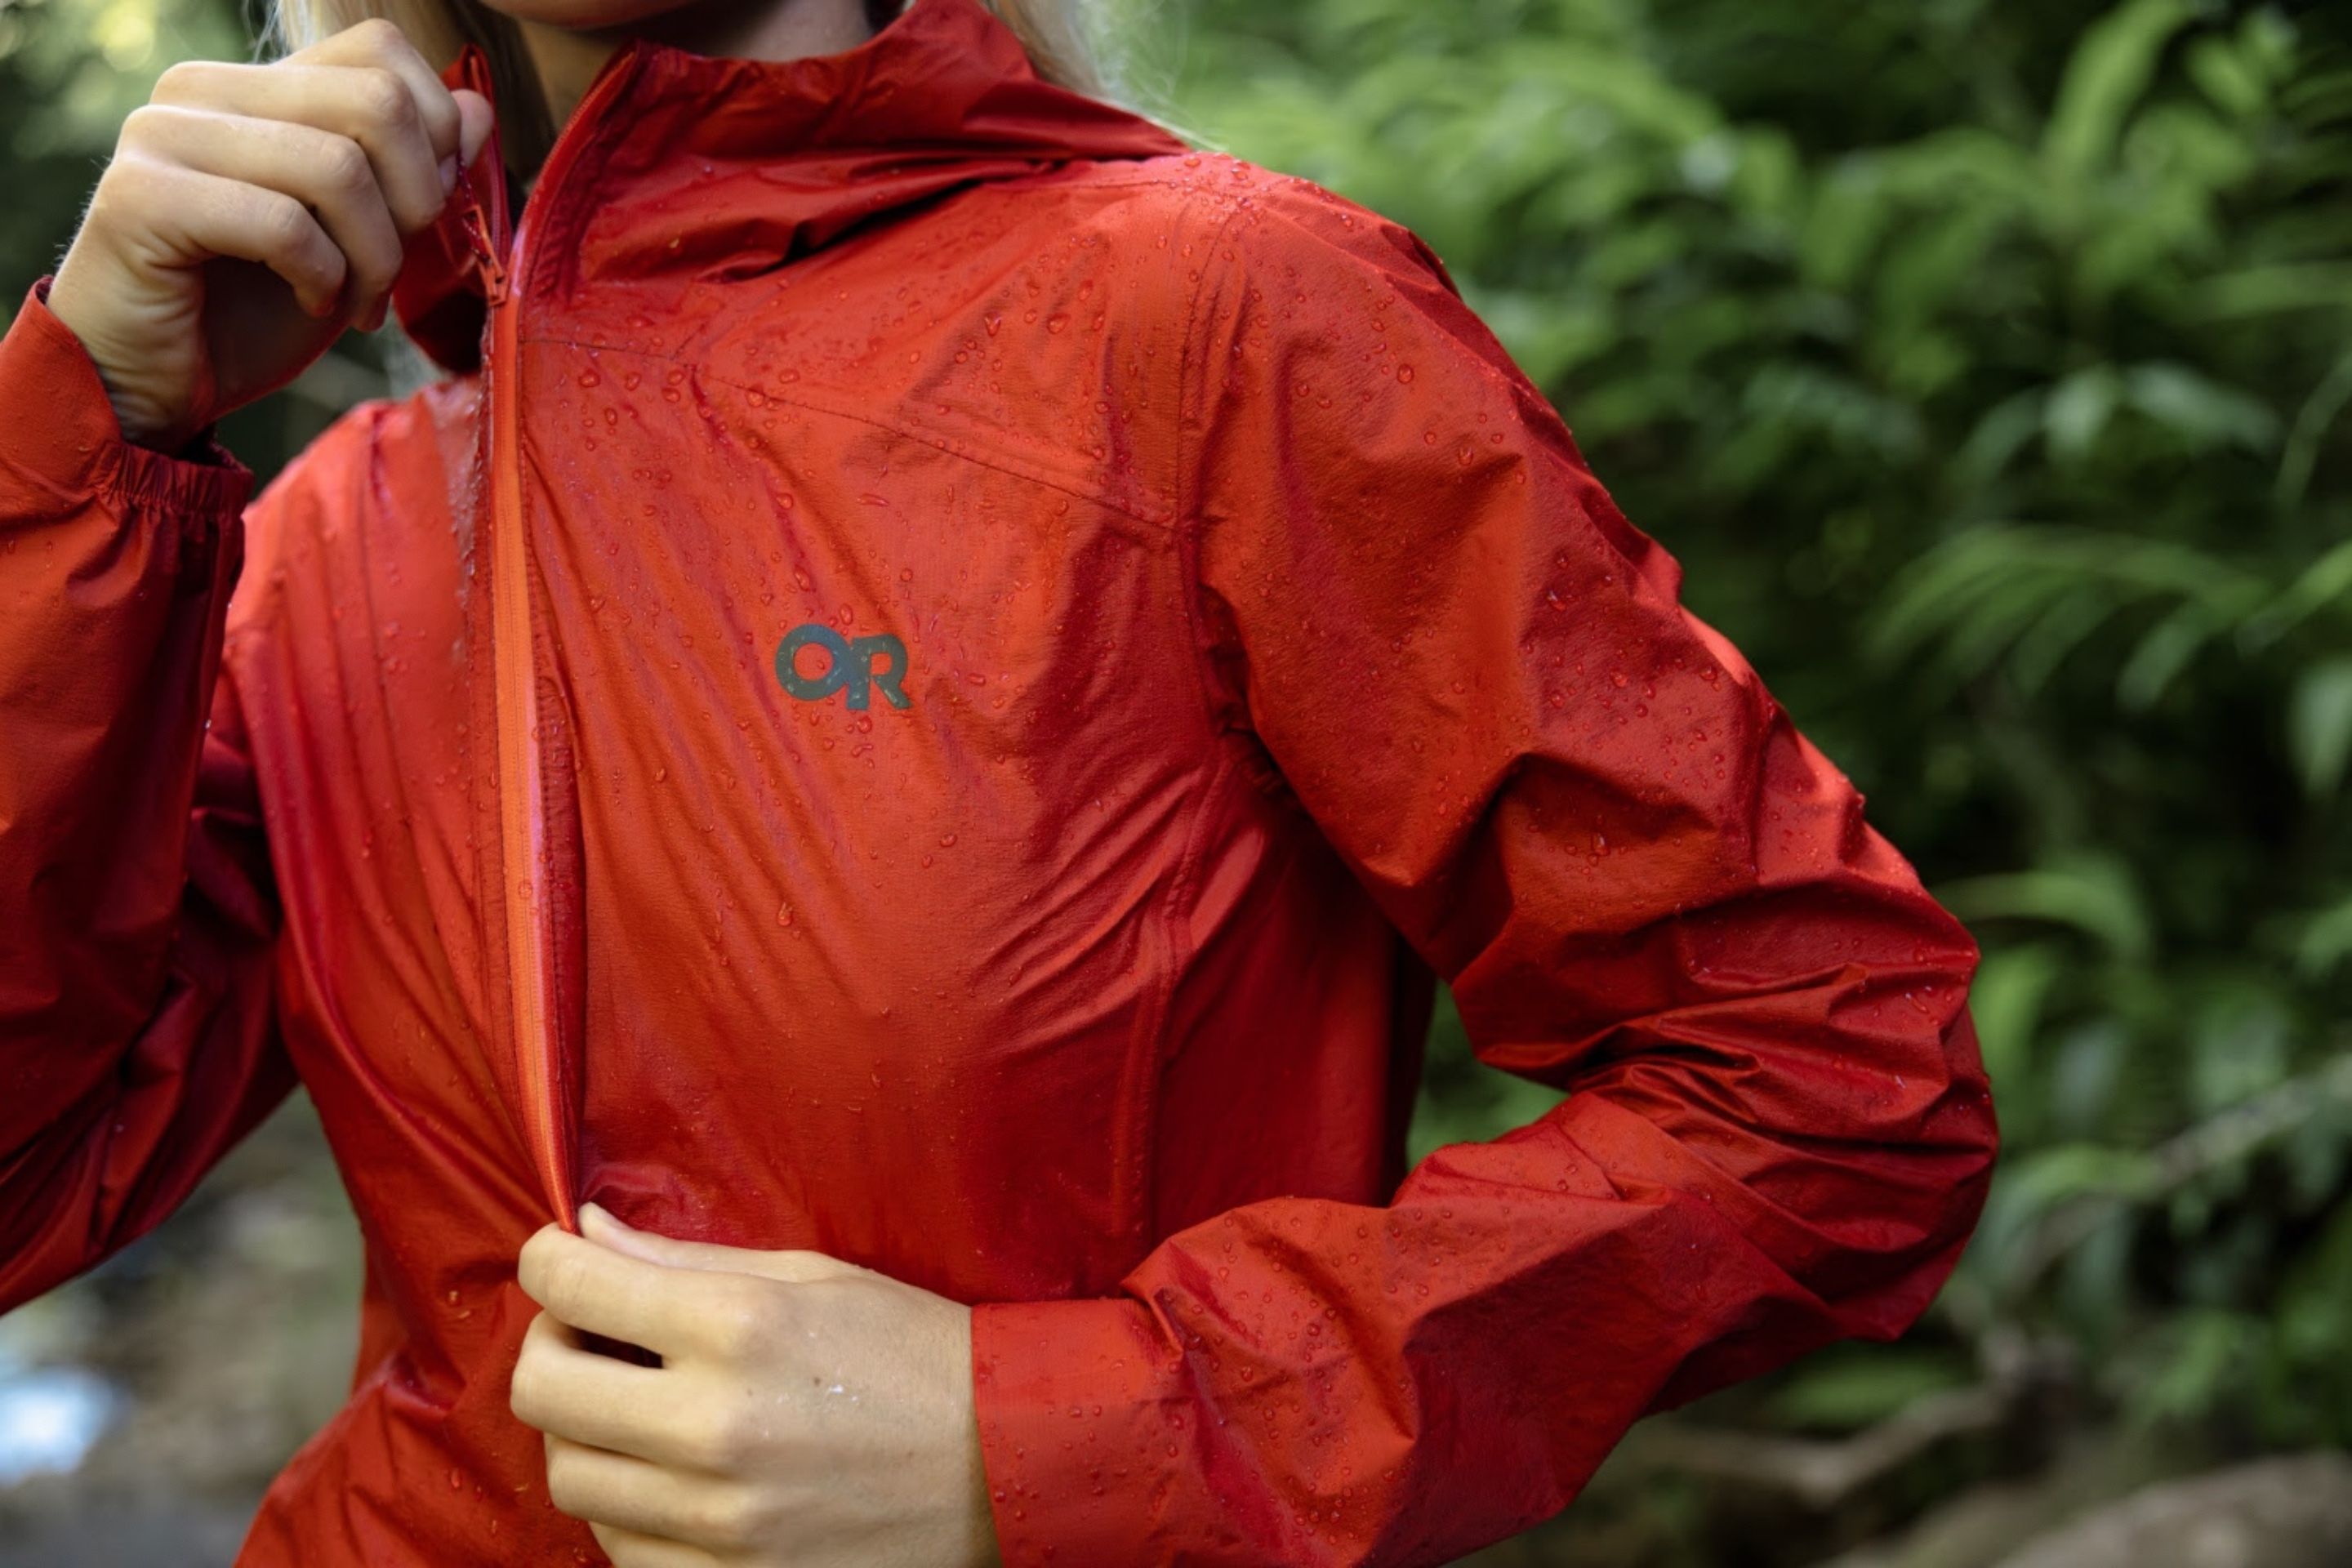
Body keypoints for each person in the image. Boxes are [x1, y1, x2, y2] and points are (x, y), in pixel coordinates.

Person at [0, 0, 2001, 1561]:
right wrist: (87, 423)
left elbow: (1835, 1086)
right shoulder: (330, 530)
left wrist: (1053, 1445)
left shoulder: (1215, 324)